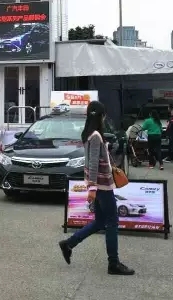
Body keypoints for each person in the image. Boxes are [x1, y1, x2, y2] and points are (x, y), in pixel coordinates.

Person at [58, 101, 134, 276]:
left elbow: (95, 160)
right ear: (102, 116)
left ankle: (69, 244)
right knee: (112, 222)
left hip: (98, 185)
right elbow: (93, 163)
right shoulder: (96, 136)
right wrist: (92, 188)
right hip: (102, 185)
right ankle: (113, 263)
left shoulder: (88, 134)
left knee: (100, 222)